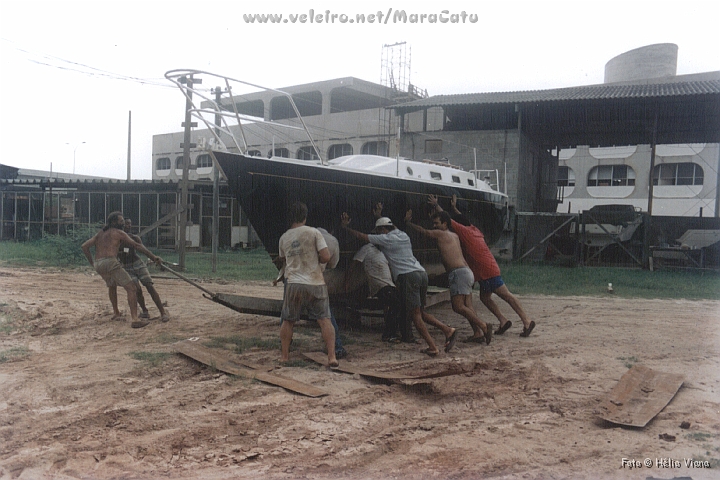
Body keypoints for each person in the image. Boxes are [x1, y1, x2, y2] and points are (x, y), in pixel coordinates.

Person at [341, 211, 458, 357]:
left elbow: (363, 236)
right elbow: (390, 226)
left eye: (378, 231)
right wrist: (380, 216)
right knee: (421, 312)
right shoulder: (403, 234)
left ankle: (433, 346)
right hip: (421, 273)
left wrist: (346, 228)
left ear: (382, 230)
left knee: (415, 315)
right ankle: (447, 330)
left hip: (408, 276)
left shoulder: (385, 239)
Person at [429, 194, 536, 337]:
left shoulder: (464, 232)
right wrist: (455, 208)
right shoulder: (474, 229)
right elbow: (459, 218)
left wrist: (436, 205)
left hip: (486, 270)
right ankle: (503, 321)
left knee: (506, 295)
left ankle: (527, 321)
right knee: (485, 297)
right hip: (487, 267)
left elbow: (447, 219)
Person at [404, 208, 492, 345]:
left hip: (458, 273)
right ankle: (478, 333)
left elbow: (424, 232)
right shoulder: (454, 235)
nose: (434, 226)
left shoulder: (441, 234)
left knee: (458, 307)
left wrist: (408, 223)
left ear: (445, 224)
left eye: (437, 223)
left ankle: (483, 326)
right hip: (467, 272)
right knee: (467, 305)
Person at [277, 202, 338, 368]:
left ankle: (284, 356)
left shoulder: (284, 237)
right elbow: (325, 257)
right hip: (315, 282)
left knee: (288, 321)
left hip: (294, 283)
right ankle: (332, 357)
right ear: (305, 216)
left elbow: (284, 259)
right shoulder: (314, 232)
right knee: (324, 320)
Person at [81, 211, 163, 329]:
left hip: (99, 264)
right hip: (110, 261)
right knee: (132, 288)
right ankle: (135, 319)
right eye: (121, 221)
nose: (123, 223)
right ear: (114, 222)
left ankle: (116, 313)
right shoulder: (118, 232)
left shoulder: (100, 233)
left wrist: (92, 263)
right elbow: (137, 246)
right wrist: (153, 257)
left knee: (112, 286)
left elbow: (84, 246)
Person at [349, 241, 410, 343]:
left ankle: (399, 333)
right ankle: (388, 335)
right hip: (379, 284)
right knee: (396, 305)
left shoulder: (382, 252)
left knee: (401, 304)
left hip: (389, 284)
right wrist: (347, 281)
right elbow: (354, 263)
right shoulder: (366, 249)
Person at [118, 218, 170, 323]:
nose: (128, 226)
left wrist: (153, 258)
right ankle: (144, 311)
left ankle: (162, 312)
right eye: (126, 224)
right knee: (136, 289)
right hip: (127, 267)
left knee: (149, 286)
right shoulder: (117, 240)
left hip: (138, 264)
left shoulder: (135, 238)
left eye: (129, 224)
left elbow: (142, 249)